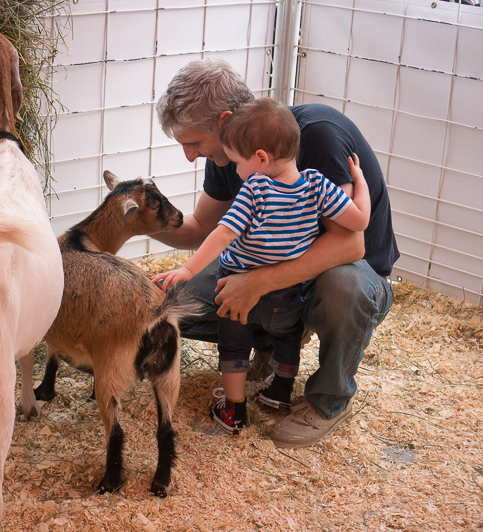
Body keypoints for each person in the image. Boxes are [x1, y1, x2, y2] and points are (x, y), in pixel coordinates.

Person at [153, 58, 398, 448]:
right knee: (172, 301)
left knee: (343, 288)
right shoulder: (232, 156)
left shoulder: (317, 134)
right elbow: (203, 229)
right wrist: (135, 220)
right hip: (275, 268)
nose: (188, 155)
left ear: (225, 121)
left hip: (348, 271)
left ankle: (328, 400)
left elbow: (351, 242)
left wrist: (256, 283)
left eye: (193, 142)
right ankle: (271, 347)